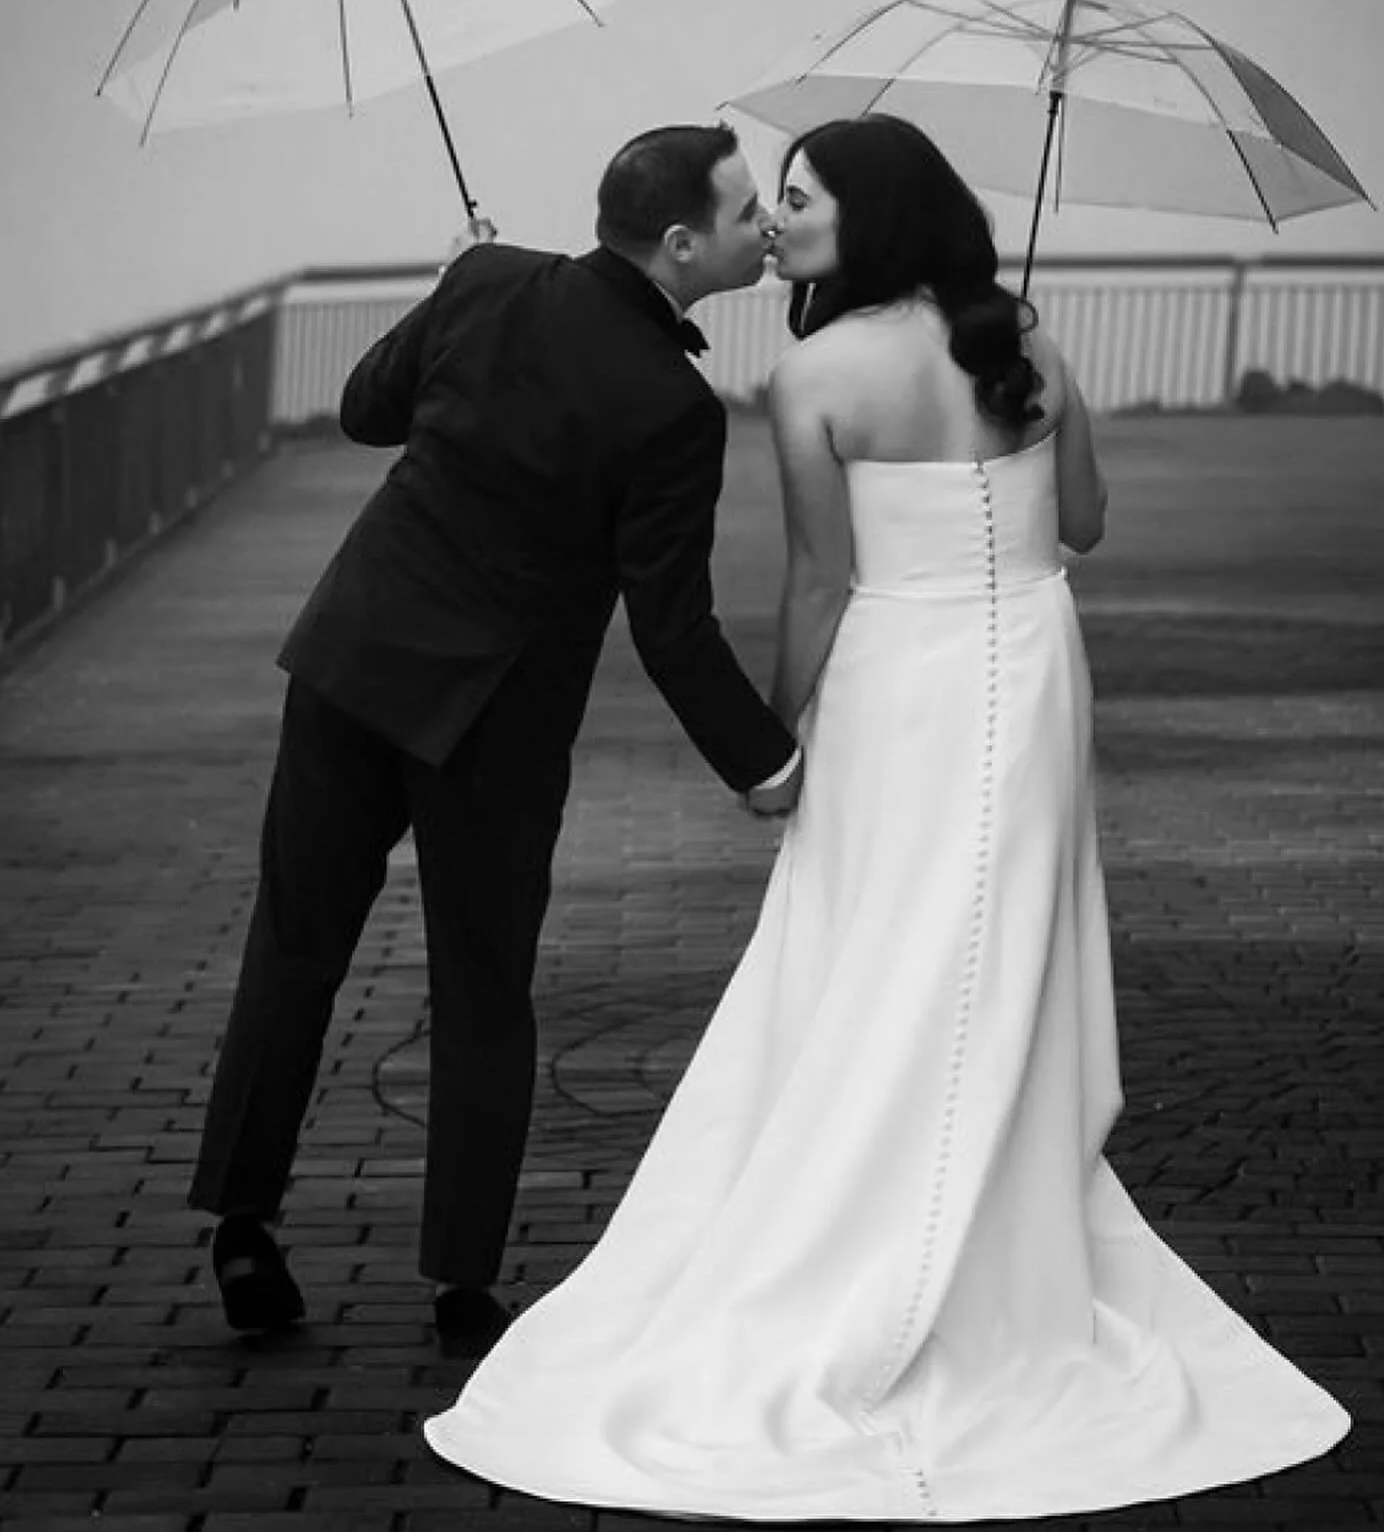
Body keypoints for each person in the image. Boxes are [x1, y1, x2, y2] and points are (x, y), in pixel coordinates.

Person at [423, 115, 1350, 1520]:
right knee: (1004, 954)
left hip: (897, 687)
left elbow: (815, 584)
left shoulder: (812, 373)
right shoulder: (1028, 342)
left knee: (870, 955)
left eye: (797, 199)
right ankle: (993, 1225)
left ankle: (862, 1229)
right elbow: (1085, 523)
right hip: (1032, 675)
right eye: (771, 201)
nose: (777, 220)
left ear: (874, 217)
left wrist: (784, 743)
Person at [189, 122, 802, 1351]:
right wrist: (766, 763)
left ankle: (243, 1231)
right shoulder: (674, 410)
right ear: (682, 246)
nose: (767, 232)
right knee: (483, 996)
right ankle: (461, 1283)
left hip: (353, 660)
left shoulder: (487, 279)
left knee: (295, 948)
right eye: (748, 217)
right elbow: (670, 627)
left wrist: (448, 291)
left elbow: (370, 410)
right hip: (495, 726)